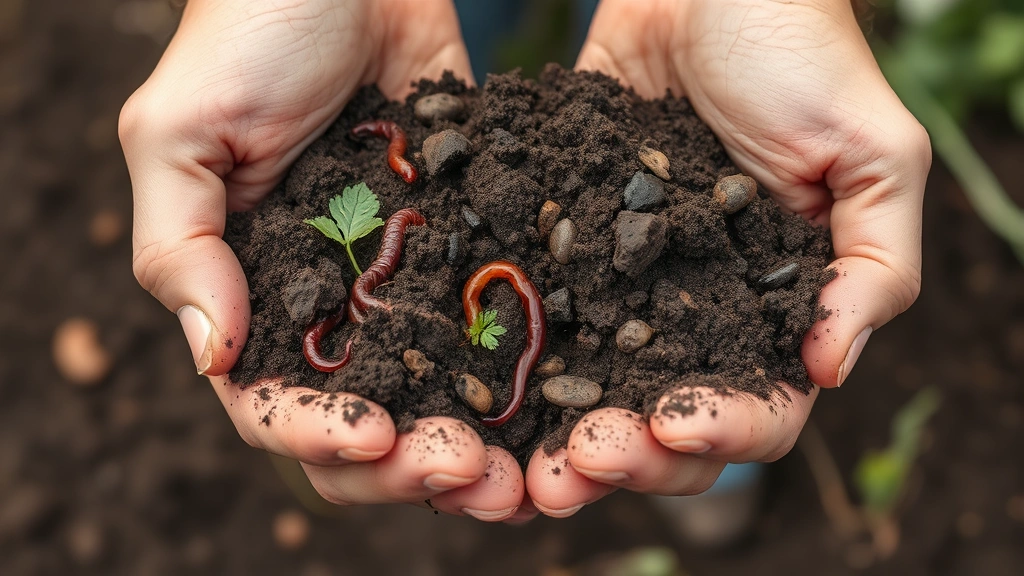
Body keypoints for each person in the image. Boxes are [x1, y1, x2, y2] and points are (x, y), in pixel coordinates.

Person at [119, 0, 930, 524]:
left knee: (701, 409)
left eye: (396, 153)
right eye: (391, 151)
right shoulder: (390, 248)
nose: (400, 156)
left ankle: (714, 480)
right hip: (385, 34)